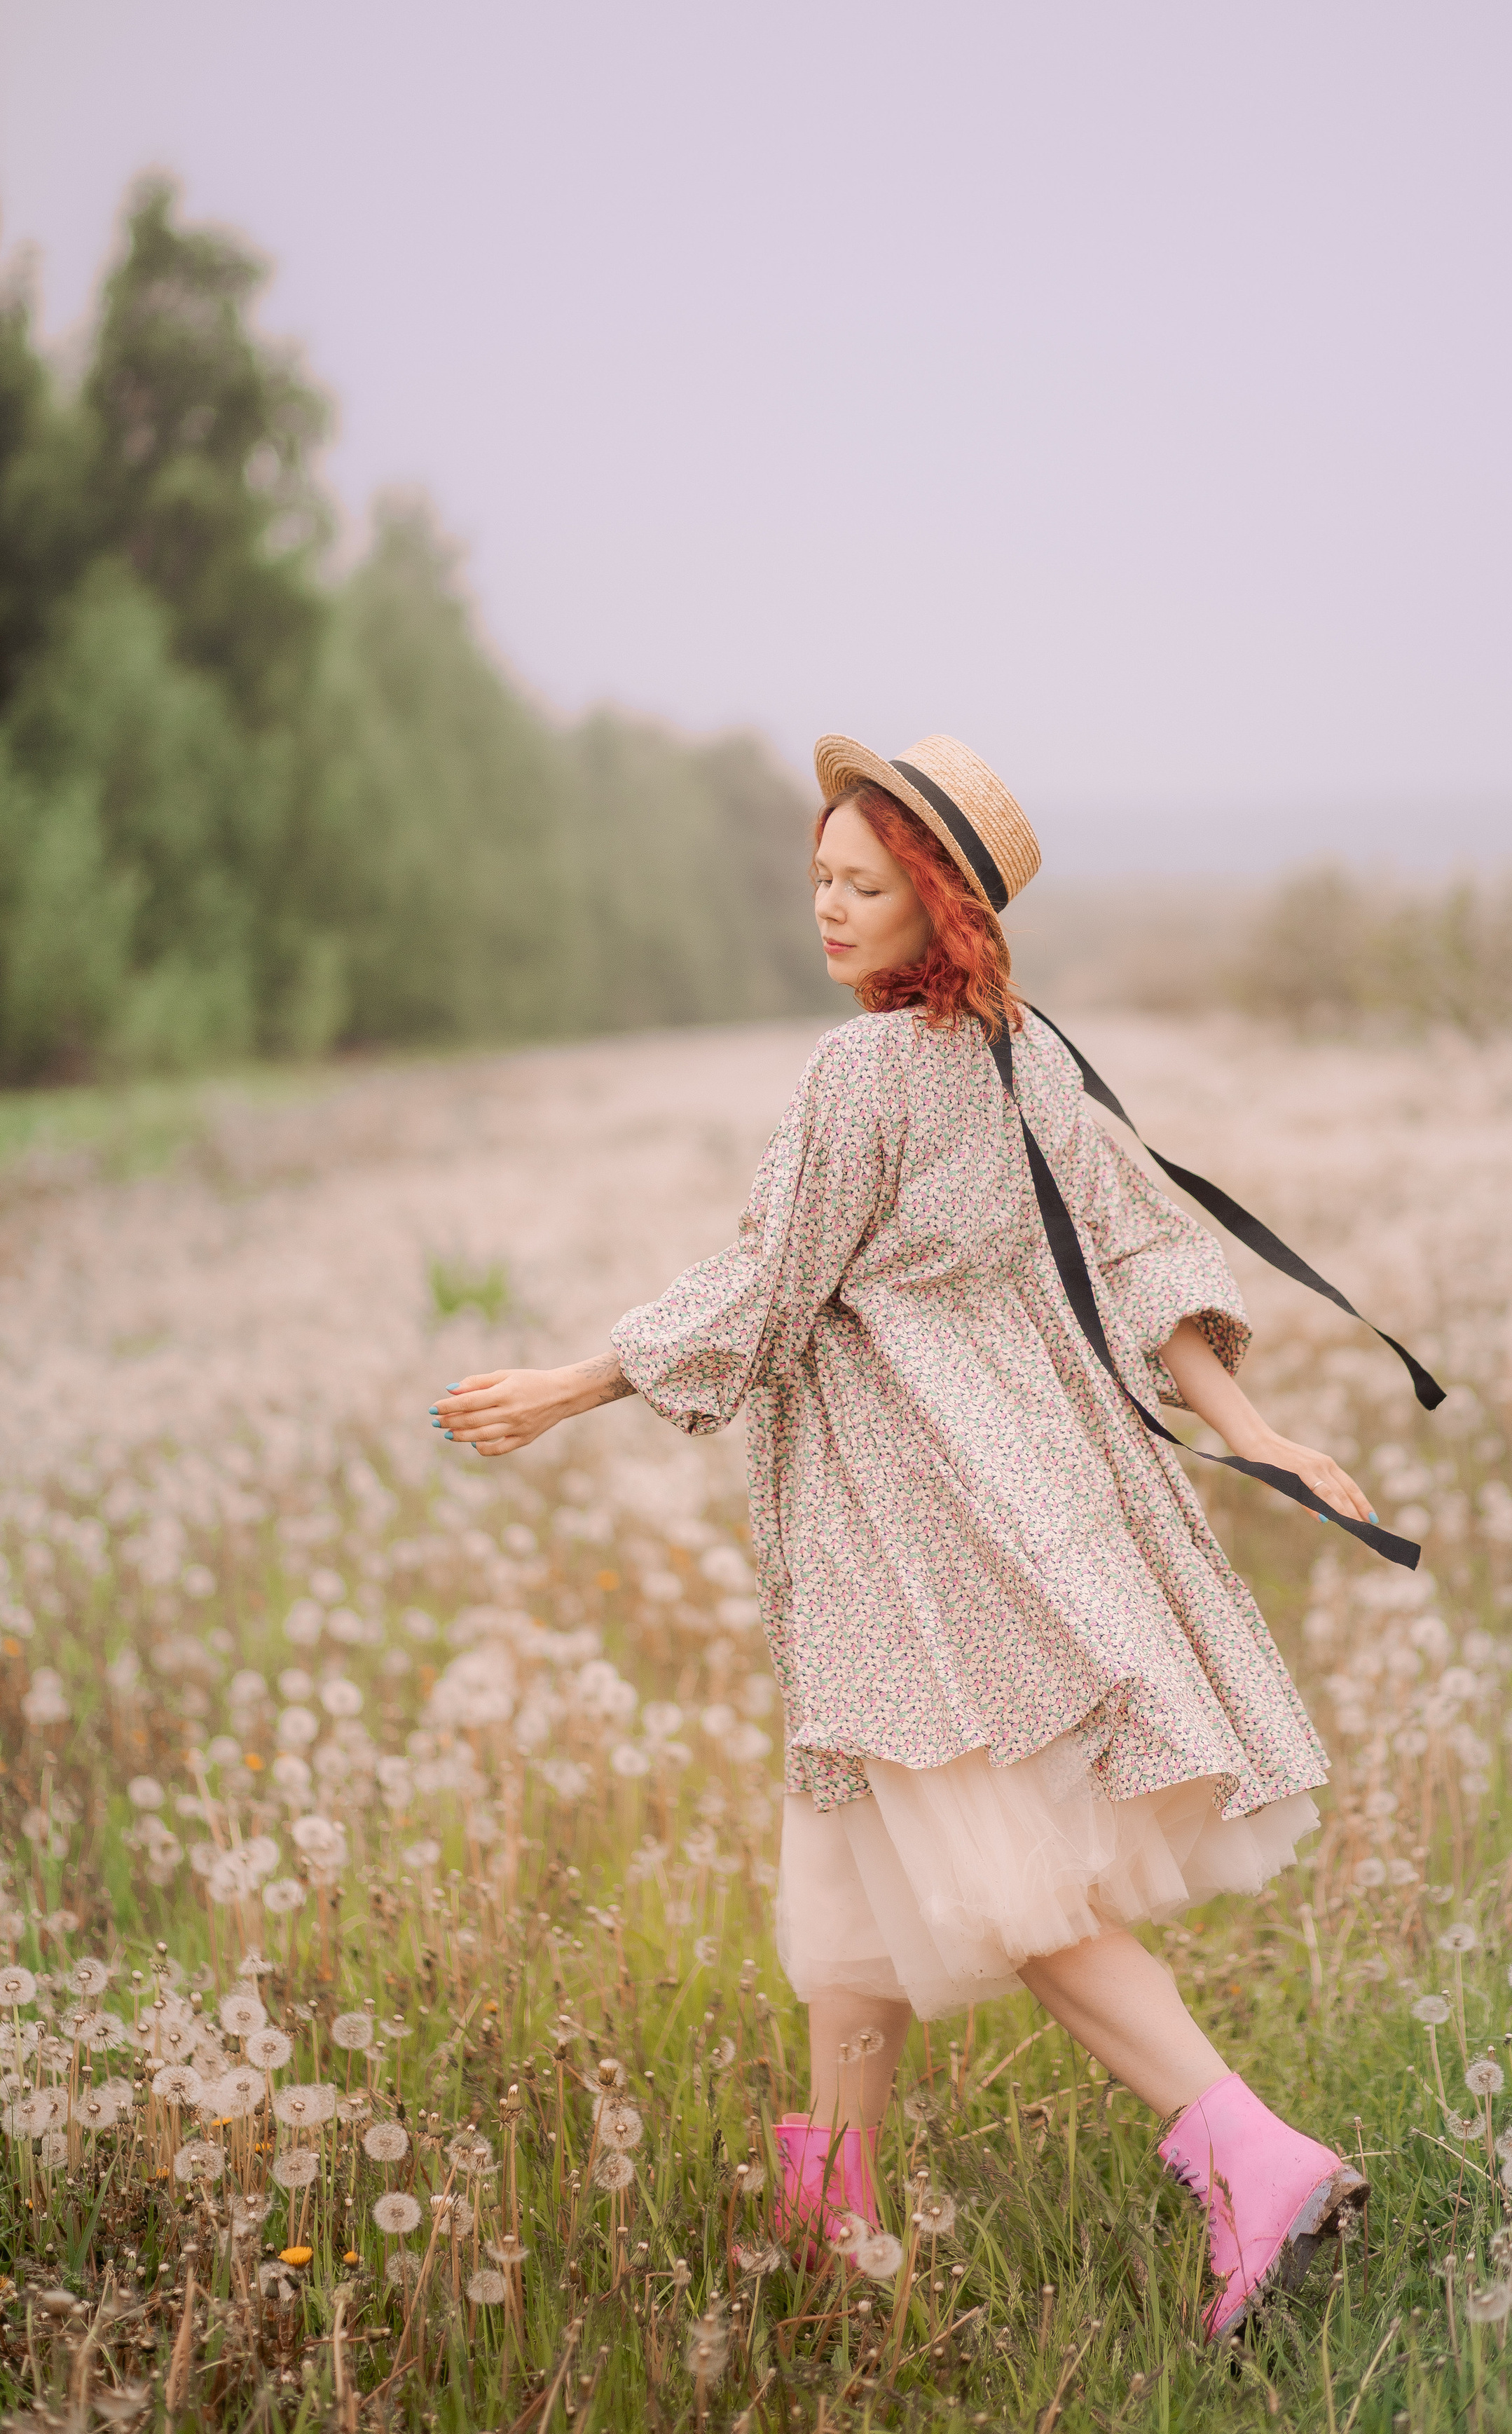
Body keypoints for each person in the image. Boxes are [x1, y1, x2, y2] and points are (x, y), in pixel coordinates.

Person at [429, 732, 1373, 2341]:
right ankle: (836, 2212)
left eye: (863, 884)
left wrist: (573, 1379)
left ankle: (1250, 2159)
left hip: (917, 1539)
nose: (828, 907)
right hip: (1020, 1516)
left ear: (943, 905)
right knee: (866, 1886)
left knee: (1013, 1884)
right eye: (817, 879)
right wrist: (1250, 1426)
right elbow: (1148, 1260)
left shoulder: (860, 1074)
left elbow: (764, 1283)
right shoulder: (1033, 1060)